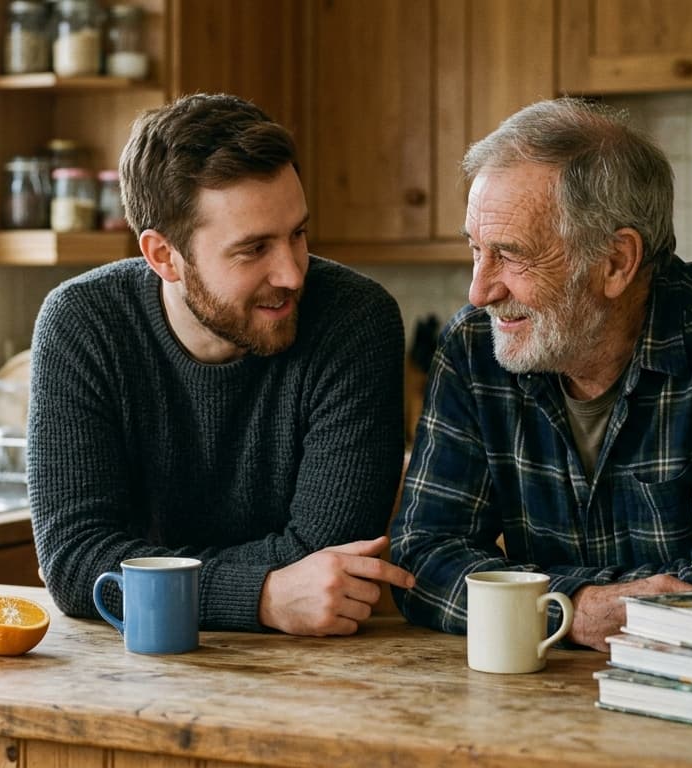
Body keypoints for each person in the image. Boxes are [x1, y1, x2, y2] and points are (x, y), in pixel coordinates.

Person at [390, 97, 692, 650]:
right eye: (476, 250)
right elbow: (421, 556)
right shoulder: (474, 345)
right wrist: (572, 607)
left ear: (615, 262)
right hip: (561, 688)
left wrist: (526, 603)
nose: (479, 290)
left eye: (511, 256)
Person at [29, 93, 414, 636]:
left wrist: (154, 575)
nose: (292, 274)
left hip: (313, 675)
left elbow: (330, 559)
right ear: (163, 256)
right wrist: (262, 596)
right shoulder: (83, 323)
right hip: (133, 670)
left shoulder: (355, 320)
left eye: (298, 234)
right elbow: (74, 561)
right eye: (253, 249)